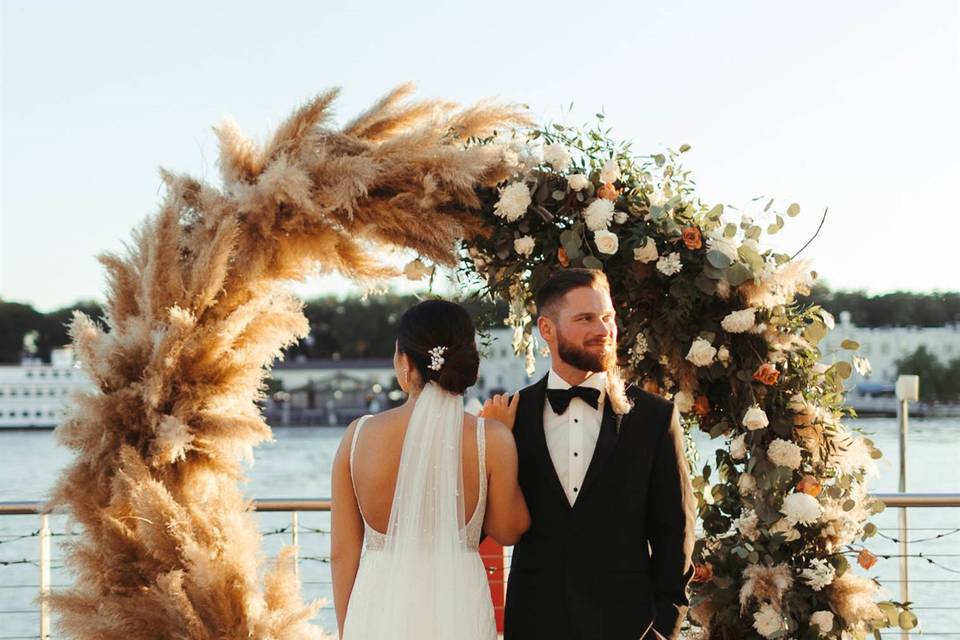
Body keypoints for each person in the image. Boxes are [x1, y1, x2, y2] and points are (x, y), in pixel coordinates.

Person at [481, 268, 697, 640]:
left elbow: (675, 532)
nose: (604, 329)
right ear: (546, 329)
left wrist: (665, 627)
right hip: (535, 623)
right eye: (586, 318)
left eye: (608, 317)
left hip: (630, 626)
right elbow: (495, 526)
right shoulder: (512, 417)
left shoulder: (655, 417)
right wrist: (494, 436)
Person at [330, 299, 531, 639]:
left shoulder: (358, 436)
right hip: (460, 609)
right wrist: (504, 438)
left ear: (405, 363)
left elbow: (341, 554)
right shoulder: (490, 438)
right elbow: (509, 531)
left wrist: (349, 629)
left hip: (375, 610)